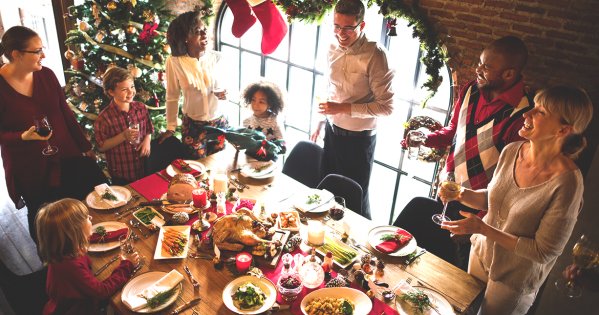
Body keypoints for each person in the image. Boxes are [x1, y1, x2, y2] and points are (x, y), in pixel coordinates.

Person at [440, 86, 593, 314]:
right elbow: (493, 200)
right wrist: (460, 194)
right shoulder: (512, 151)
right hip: (481, 255)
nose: (526, 114)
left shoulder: (568, 183)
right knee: (462, 310)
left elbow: (543, 252)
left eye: (540, 112)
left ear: (563, 130)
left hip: (514, 280)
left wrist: (483, 229)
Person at [396, 36, 533, 269]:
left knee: (454, 272)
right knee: (421, 258)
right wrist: (425, 139)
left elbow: (512, 184)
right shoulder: (471, 89)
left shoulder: (523, 115)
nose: (477, 69)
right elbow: (453, 132)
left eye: (486, 67)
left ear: (509, 74)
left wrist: (476, 224)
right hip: (449, 192)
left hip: (479, 213)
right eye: (480, 62)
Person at [0, 26, 105, 242]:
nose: (43, 55)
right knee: (43, 218)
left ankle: (85, 253)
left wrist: (85, 147)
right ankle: (53, 263)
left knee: (78, 208)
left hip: (67, 154)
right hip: (30, 166)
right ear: (16, 55)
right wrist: (22, 137)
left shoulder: (46, 75)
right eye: (37, 51)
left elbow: (65, 114)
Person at [310, 0, 394, 218]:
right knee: (326, 193)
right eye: (337, 26)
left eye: (348, 28)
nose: (341, 33)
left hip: (359, 140)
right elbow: (329, 90)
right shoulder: (330, 47)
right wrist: (319, 122)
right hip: (332, 132)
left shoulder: (376, 54)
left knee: (355, 200)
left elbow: (386, 107)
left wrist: (343, 108)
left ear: (362, 25)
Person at [36, 198, 138, 314]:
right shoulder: (71, 265)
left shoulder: (67, 250)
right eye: (87, 218)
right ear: (76, 231)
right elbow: (102, 291)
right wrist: (126, 266)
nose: (91, 218)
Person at [159, 9, 229, 159]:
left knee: (219, 165)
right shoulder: (174, 62)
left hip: (219, 123)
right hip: (193, 127)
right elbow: (172, 96)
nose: (205, 35)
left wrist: (224, 92)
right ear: (185, 38)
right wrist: (171, 127)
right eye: (198, 32)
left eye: (205, 30)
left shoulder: (218, 58)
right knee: (197, 169)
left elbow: (227, 88)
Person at [94, 67, 153, 185]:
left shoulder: (141, 108)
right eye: (124, 89)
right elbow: (101, 146)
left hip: (144, 167)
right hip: (122, 173)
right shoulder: (104, 119)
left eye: (132, 87)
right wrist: (123, 136)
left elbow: (148, 129)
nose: (131, 92)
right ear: (111, 92)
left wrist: (147, 140)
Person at [241, 80, 286, 146]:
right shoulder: (246, 121)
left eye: (261, 102)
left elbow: (282, 144)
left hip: (269, 156)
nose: (256, 105)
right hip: (248, 156)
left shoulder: (275, 122)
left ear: (270, 104)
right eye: (253, 100)